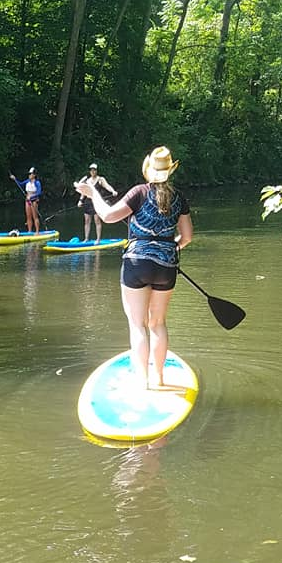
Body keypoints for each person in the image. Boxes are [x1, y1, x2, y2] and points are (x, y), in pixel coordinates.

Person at [75, 146, 193, 389]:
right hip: (166, 266)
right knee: (158, 323)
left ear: (149, 170)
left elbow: (107, 216)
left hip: (136, 264)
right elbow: (187, 237)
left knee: (138, 325)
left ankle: (143, 382)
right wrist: (169, 251)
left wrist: (92, 192)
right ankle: (159, 379)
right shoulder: (179, 198)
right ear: (169, 171)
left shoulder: (139, 192)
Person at [75, 163, 118, 243]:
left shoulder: (100, 179)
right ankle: (86, 239)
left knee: (97, 221)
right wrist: (80, 201)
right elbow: (84, 192)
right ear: (90, 171)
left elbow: (107, 186)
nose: (93, 171)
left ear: (96, 171)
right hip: (88, 202)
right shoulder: (87, 181)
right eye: (91, 170)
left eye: (94, 170)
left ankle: (98, 239)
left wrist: (113, 191)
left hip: (97, 202)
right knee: (87, 221)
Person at [9, 167, 42, 234]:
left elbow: (39, 192)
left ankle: (37, 232)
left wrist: (32, 196)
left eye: (31, 174)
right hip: (27, 201)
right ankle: (29, 231)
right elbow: (20, 184)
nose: (29, 175)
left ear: (34, 175)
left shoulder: (37, 183)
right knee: (28, 217)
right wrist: (15, 179)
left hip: (34, 201)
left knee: (35, 216)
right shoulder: (27, 181)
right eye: (29, 174)